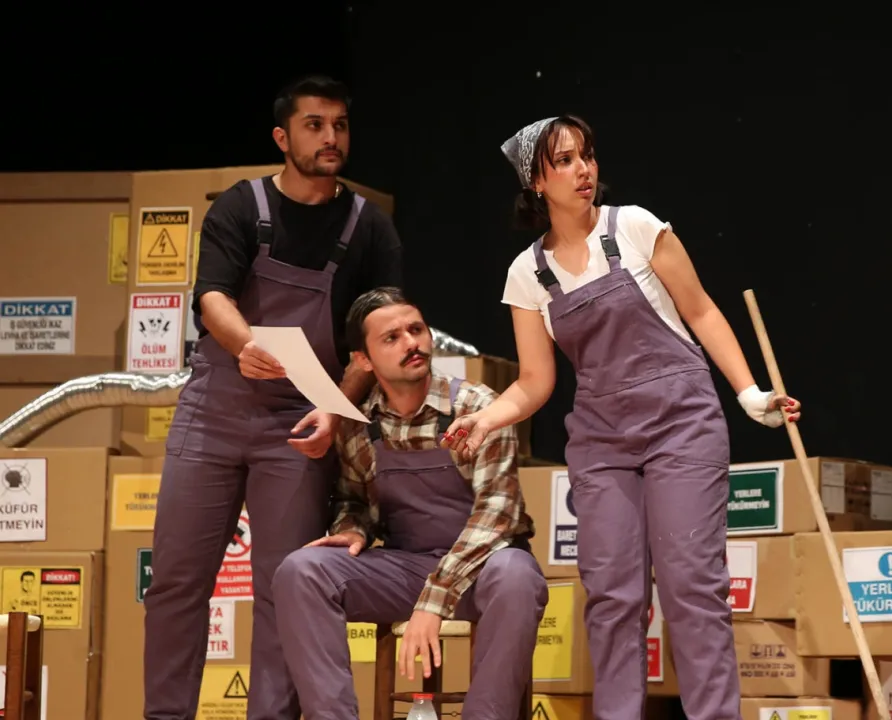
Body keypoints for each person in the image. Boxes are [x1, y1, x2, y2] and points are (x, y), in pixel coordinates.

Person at [440, 114, 801, 720]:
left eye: (586, 155)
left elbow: (701, 311)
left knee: (691, 587)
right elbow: (534, 381)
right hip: (602, 440)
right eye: (563, 161)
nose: (582, 170)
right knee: (612, 596)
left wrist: (748, 393)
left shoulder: (634, 226)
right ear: (536, 182)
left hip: (681, 424)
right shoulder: (527, 273)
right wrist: (486, 419)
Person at [144, 75, 403, 720]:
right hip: (215, 409)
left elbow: (377, 337)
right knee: (176, 581)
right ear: (283, 137)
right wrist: (244, 345)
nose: (331, 137)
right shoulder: (240, 207)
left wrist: (336, 412)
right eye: (315, 125)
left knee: (282, 588)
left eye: (340, 125)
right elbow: (211, 296)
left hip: (301, 421)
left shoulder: (369, 229)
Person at [272, 287, 547, 720]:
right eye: (392, 338)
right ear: (363, 360)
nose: (411, 343)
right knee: (301, 571)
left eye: (416, 330)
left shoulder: (475, 407)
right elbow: (352, 498)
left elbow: (498, 515)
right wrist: (351, 528)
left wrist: (433, 602)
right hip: (405, 570)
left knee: (517, 576)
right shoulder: (360, 425)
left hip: (482, 571)